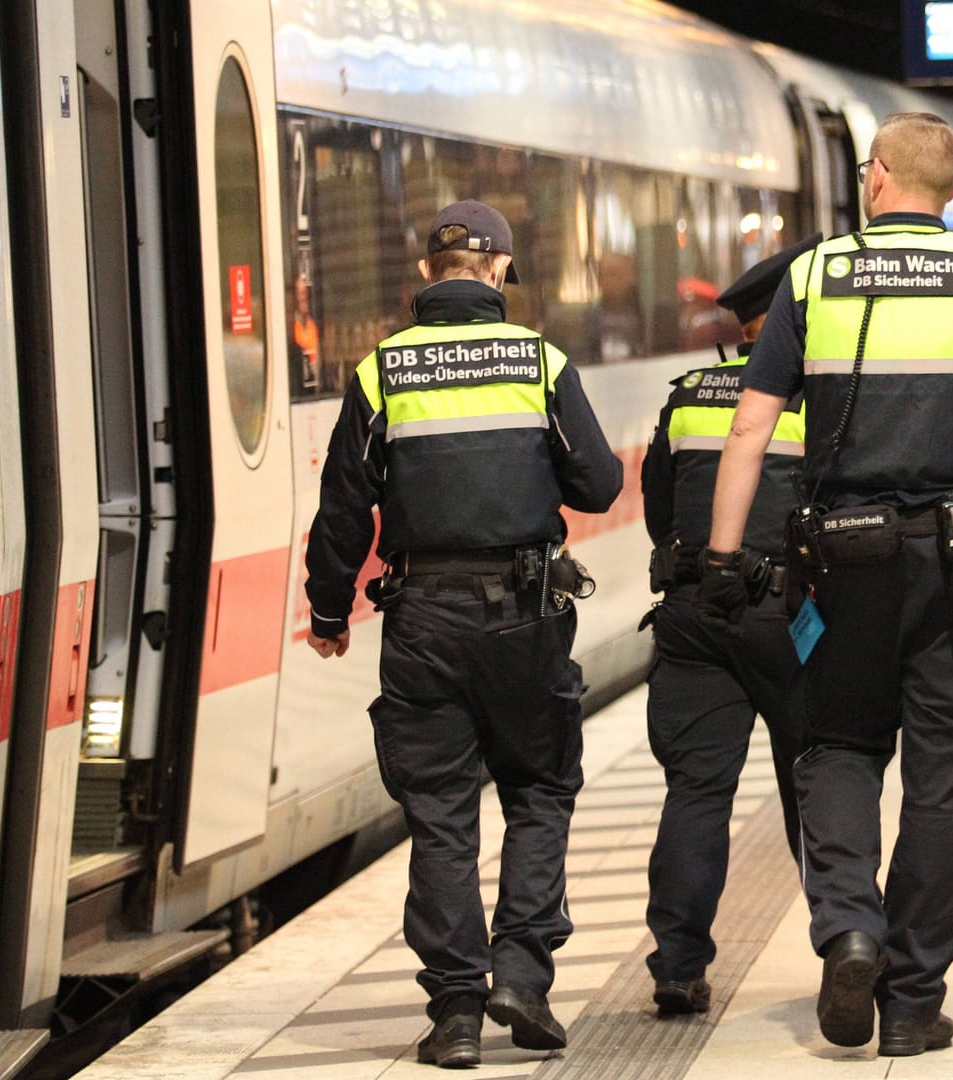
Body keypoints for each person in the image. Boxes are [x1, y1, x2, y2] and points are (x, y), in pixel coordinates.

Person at [697, 111, 953, 1059]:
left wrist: (720, 559)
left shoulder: (814, 275)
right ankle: (913, 1002)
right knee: (947, 780)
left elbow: (750, 429)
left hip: (844, 564)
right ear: (948, 189)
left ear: (876, 178)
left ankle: (849, 929)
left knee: (837, 746)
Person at [303, 200, 623, 1069]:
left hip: (423, 622)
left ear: (424, 275)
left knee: (442, 815)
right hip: (525, 616)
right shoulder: (539, 361)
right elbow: (597, 485)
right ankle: (520, 973)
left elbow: (342, 512)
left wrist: (328, 613)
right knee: (539, 788)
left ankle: (453, 1014)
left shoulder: (380, 373)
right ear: (499, 273)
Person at [637, 235, 820, 1015]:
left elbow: (656, 511)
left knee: (697, 792)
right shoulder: (814, 399)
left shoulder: (685, 396)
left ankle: (678, 965)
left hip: (693, 614)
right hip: (789, 617)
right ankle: (850, 943)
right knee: (817, 784)